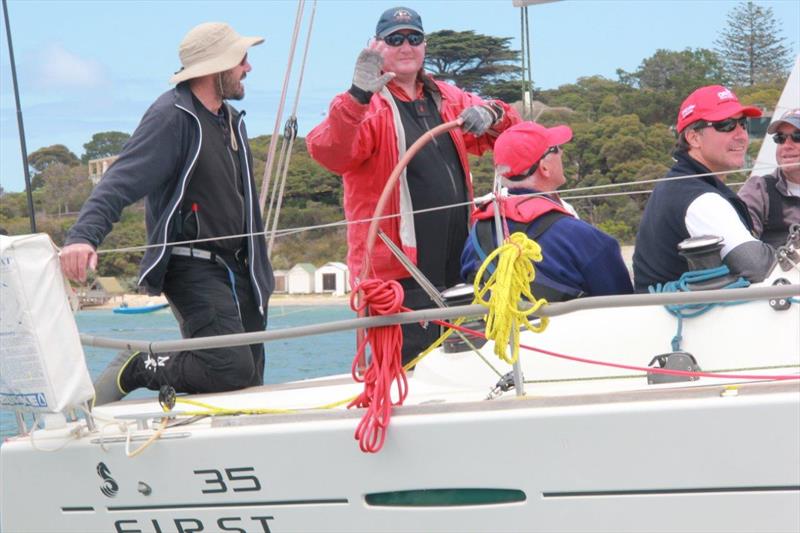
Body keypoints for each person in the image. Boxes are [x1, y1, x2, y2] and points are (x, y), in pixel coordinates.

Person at [60, 22, 274, 404]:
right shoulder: (171, 117)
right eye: (242, 59)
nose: (248, 68)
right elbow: (120, 180)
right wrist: (83, 236)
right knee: (229, 368)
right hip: (191, 266)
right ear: (216, 67)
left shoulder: (232, 122)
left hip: (240, 269)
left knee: (249, 379)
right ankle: (140, 364)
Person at [306, 7, 520, 364]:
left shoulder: (447, 98)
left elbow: (510, 132)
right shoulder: (364, 106)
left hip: (460, 268)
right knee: (405, 370)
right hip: (398, 276)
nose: (406, 46)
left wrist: (492, 112)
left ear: (425, 45)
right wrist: (358, 95)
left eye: (414, 37)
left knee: (464, 366)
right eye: (395, 39)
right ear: (376, 46)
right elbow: (330, 152)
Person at [461, 122, 633, 299]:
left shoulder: (475, 236)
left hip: (491, 327)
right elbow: (625, 310)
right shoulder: (587, 240)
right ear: (544, 168)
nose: (562, 152)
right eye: (556, 149)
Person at [633, 85, 775, 292]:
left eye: (742, 124)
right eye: (726, 125)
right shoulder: (699, 198)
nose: (741, 135)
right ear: (693, 138)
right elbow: (757, 265)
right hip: (686, 319)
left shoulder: (679, 183)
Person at [738, 108, 800, 248]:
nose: (786, 145)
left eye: (797, 137)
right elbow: (743, 246)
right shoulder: (759, 190)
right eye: (780, 138)